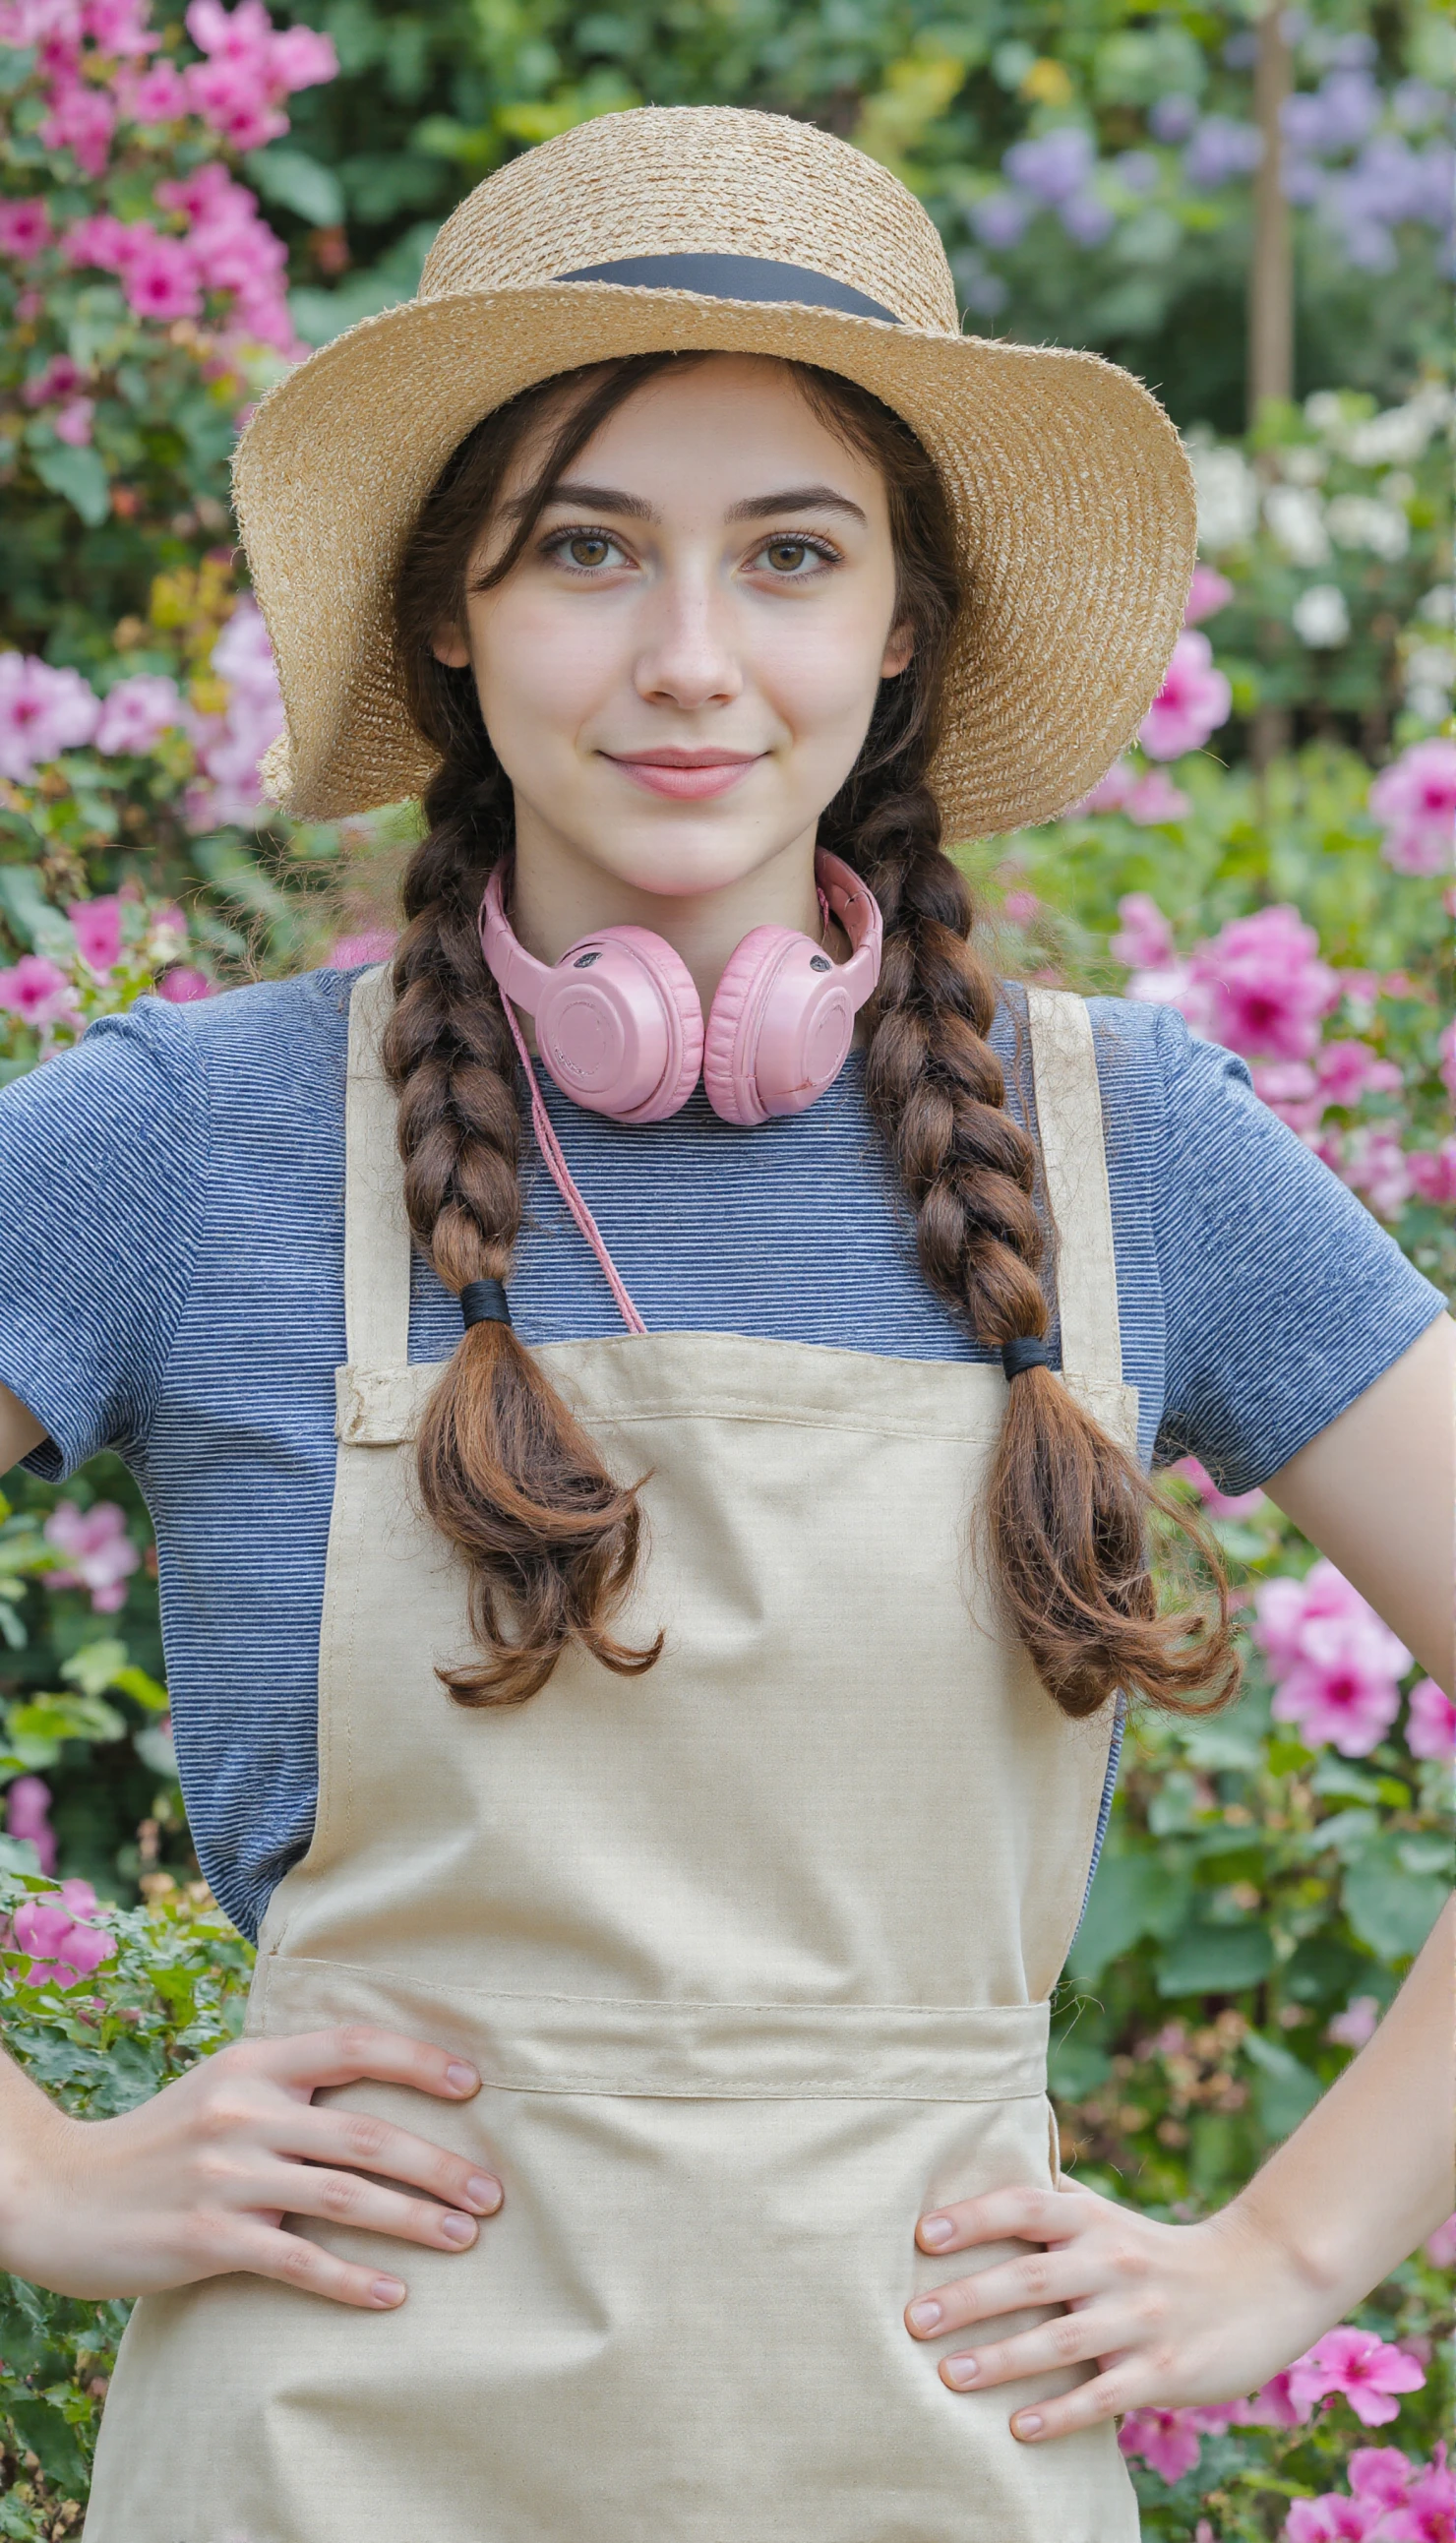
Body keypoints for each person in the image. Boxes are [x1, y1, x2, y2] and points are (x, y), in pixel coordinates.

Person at [0, 105, 1449, 2543]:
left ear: (899, 624)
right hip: (325, 2468)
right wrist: (33, 2173)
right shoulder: (181, 1144)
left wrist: (1289, 2247)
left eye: (788, 553)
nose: (690, 661)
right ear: (450, 609)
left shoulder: (1130, 1150)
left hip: (933, 2466)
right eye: (584, 549)